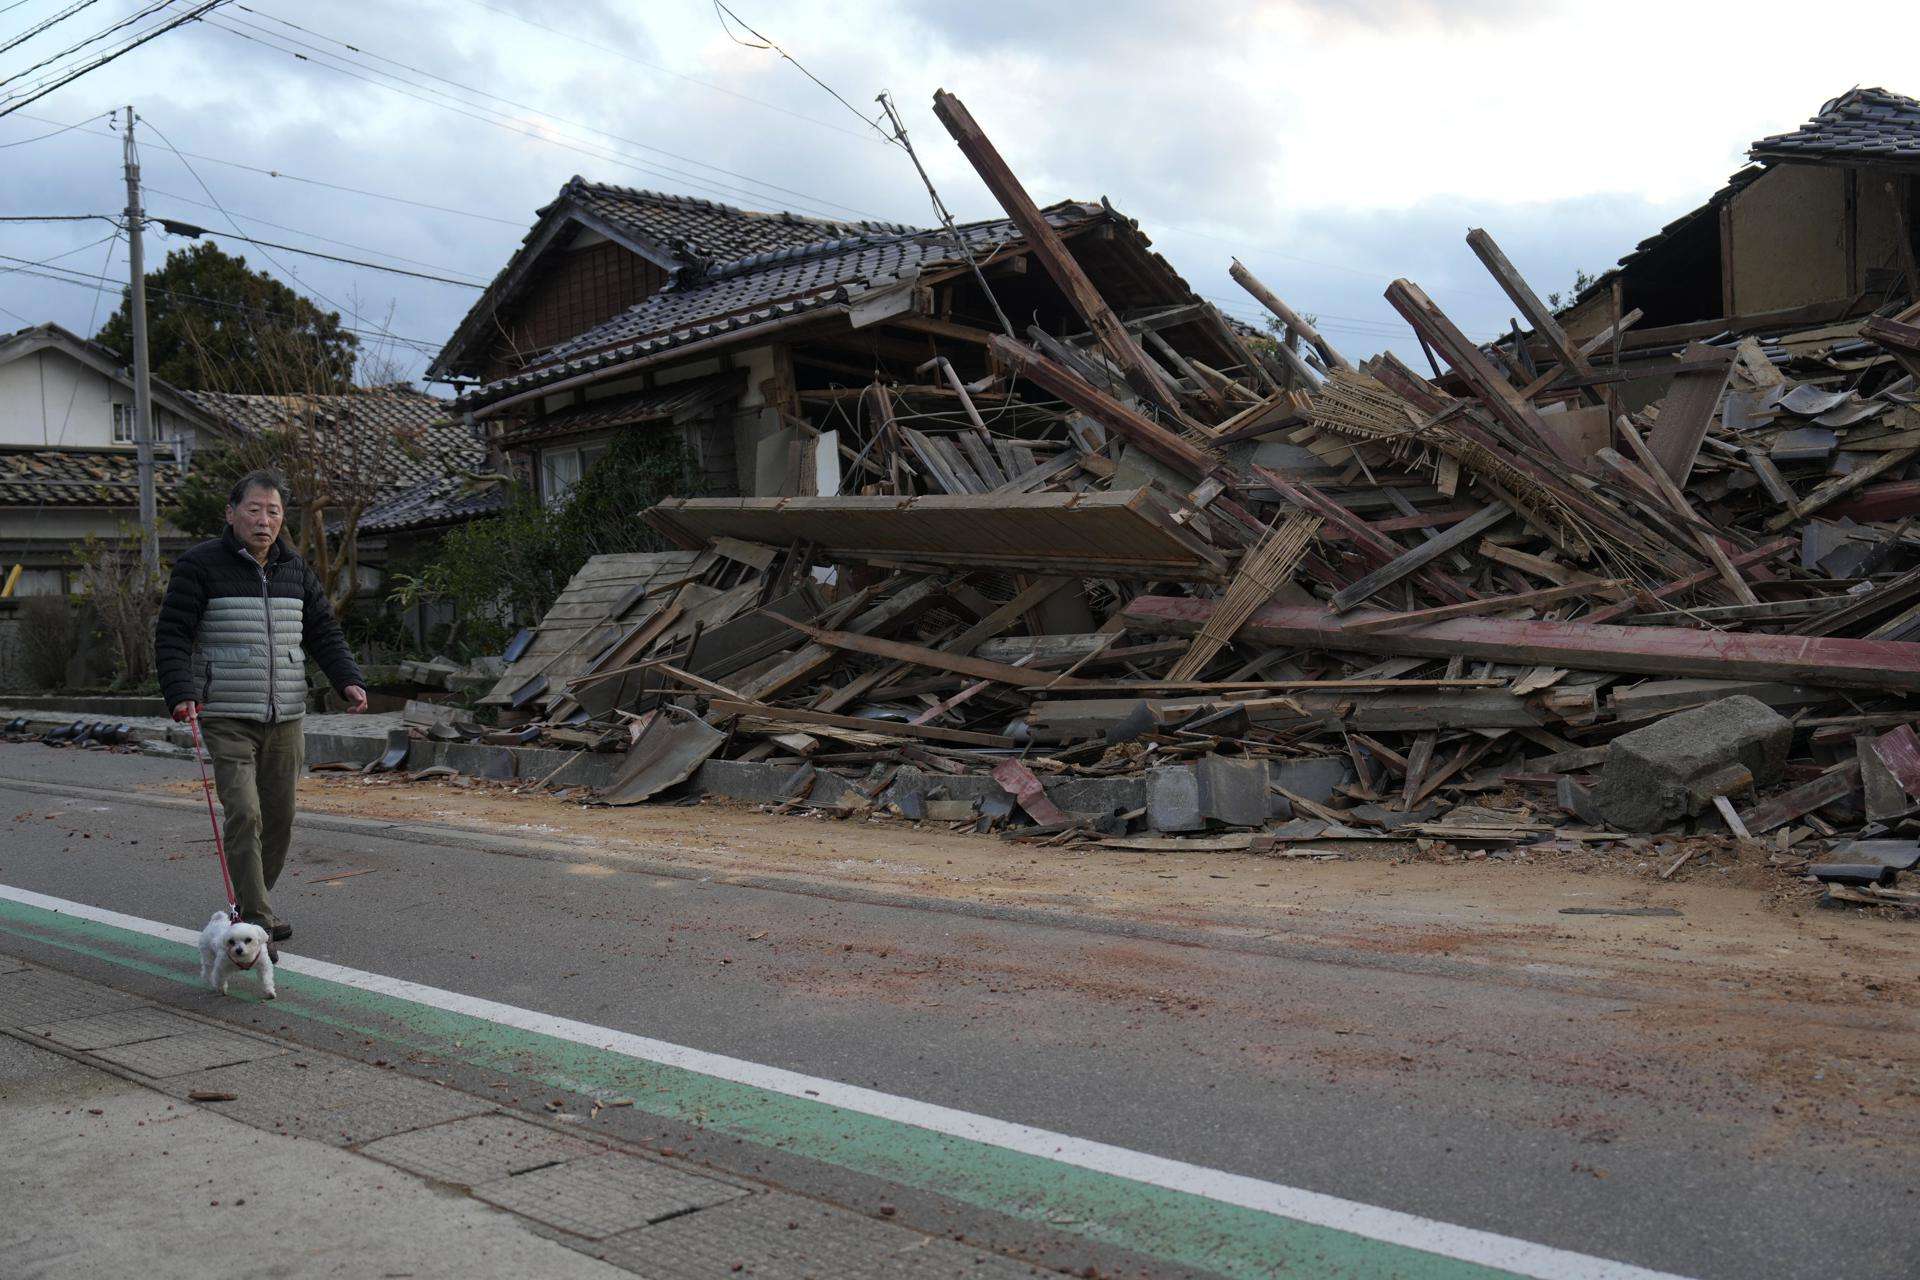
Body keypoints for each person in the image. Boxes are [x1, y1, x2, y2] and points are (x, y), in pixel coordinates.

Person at [155, 469, 367, 942]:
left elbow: (323, 632)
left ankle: (252, 904)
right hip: (227, 712)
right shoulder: (200, 566)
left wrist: (348, 679)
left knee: (279, 818)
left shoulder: (295, 570)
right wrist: (181, 691)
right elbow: (172, 634)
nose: (264, 520)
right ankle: (255, 919)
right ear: (231, 514)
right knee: (245, 813)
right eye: (254, 509)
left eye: (273, 511)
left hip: (286, 714)